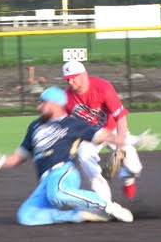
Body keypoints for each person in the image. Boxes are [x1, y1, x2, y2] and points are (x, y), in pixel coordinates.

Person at [0, 87, 146, 225]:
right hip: (45, 181)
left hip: (63, 172)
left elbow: (102, 135)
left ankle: (107, 207)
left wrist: (132, 140)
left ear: (56, 104)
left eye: (44, 102)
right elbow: (18, 157)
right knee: (26, 216)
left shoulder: (72, 124)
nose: (39, 107)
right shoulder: (35, 126)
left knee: (57, 194)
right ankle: (81, 215)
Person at [62, 60, 153, 201]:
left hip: (112, 130)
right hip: (90, 134)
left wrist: (119, 147)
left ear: (84, 74)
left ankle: (128, 179)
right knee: (84, 158)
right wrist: (69, 143)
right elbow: (64, 123)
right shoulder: (67, 96)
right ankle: (103, 201)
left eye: (73, 77)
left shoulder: (103, 87)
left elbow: (120, 117)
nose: (70, 82)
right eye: (67, 79)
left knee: (134, 167)